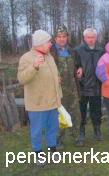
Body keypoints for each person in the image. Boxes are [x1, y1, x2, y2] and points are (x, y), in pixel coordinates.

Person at [17, 29, 62, 164]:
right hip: (37, 104)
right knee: (36, 132)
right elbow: (21, 79)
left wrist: (57, 80)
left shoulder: (49, 57)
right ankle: (38, 155)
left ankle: (52, 151)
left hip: (53, 102)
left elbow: (53, 75)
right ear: (41, 43)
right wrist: (34, 67)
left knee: (52, 129)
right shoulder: (26, 58)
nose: (51, 44)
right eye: (48, 42)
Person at [51, 25, 80, 149]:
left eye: (64, 36)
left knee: (75, 113)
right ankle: (58, 140)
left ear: (67, 37)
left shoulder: (72, 50)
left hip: (72, 88)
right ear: (55, 38)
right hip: (58, 89)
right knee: (59, 115)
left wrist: (80, 69)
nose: (62, 39)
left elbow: (78, 64)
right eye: (59, 37)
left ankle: (77, 137)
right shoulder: (51, 52)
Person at [74, 28, 104, 146]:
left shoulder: (101, 51)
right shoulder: (78, 50)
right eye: (88, 37)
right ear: (84, 38)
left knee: (96, 110)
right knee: (81, 111)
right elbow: (74, 66)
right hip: (82, 87)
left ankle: (97, 130)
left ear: (96, 38)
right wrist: (78, 69)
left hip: (96, 86)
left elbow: (104, 66)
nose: (91, 39)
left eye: (93, 37)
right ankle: (81, 133)